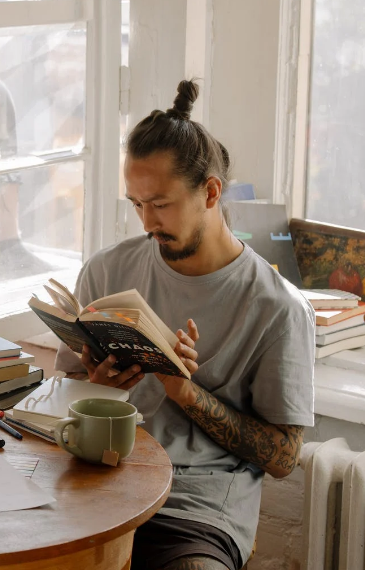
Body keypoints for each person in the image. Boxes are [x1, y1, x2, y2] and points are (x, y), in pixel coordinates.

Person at [54, 81, 314, 570]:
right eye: (135, 203)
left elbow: (283, 458)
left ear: (210, 192)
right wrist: (96, 386)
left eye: (160, 203)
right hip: (99, 482)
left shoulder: (278, 307)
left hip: (195, 511)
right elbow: (63, 391)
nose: (146, 222)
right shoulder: (106, 270)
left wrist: (187, 394)